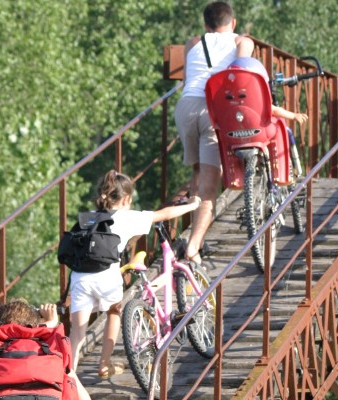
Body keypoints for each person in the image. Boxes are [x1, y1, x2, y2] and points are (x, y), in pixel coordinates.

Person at [68, 170, 202, 378]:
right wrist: (192, 205)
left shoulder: (88, 218)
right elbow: (164, 214)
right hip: (106, 276)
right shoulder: (127, 217)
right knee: (114, 311)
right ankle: (104, 363)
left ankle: (69, 375)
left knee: (77, 333)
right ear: (127, 198)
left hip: (79, 277)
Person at [174, 1, 254, 267]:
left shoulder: (193, 42)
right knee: (211, 183)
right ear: (233, 23)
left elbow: (186, 81)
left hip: (185, 107)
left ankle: (189, 230)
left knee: (196, 172)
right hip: (213, 109)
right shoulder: (243, 41)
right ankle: (193, 247)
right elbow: (242, 73)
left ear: (206, 26)